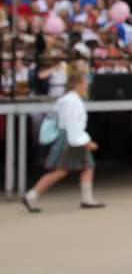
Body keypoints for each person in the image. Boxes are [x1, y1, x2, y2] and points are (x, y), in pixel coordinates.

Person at [23, 68, 104, 212]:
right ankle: (32, 195)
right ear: (78, 83)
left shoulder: (69, 99)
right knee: (61, 171)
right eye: (85, 82)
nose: (87, 85)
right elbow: (72, 124)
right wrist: (85, 141)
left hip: (73, 137)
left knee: (87, 166)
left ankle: (87, 198)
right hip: (71, 139)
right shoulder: (71, 102)